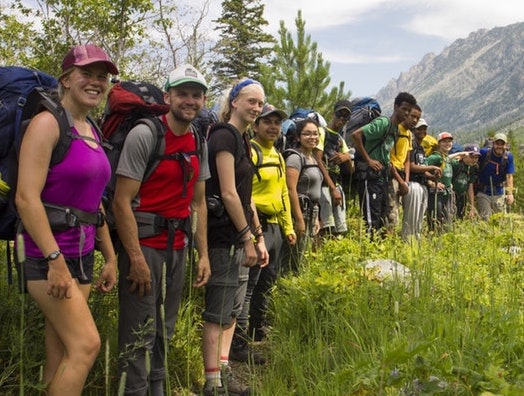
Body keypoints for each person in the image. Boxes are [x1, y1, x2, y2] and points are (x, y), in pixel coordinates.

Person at [16, 44, 118, 395]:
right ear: (66, 79)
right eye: (86, 74)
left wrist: (110, 255)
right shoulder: (47, 124)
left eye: (101, 76)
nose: (95, 82)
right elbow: (26, 198)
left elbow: (95, 204)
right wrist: (54, 260)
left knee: (60, 352)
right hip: (48, 256)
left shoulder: (91, 129)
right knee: (86, 346)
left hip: (82, 254)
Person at [113, 64, 211, 396]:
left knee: (164, 332)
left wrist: (203, 255)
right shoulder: (145, 134)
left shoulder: (198, 139)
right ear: (167, 96)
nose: (190, 100)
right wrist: (135, 258)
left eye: (196, 95)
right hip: (145, 248)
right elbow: (121, 201)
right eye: (182, 93)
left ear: (203, 100)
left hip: (178, 247)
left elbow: (198, 203)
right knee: (139, 334)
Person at [202, 78, 269, 396]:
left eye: (260, 103)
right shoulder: (224, 135)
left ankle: (224, 369)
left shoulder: (242, 140)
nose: (256, 107)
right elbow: (227, 192)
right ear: (234, 101)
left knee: (231, 309)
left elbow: (247, 196)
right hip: (222, 237)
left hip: (240, 236)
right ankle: (212, 381)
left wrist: (258, 237)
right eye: (251, 101)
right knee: (218, 311)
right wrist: (246, 237)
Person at [231, 104, 296, 362]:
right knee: (248, 286)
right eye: (267, 122)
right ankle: (240, 342)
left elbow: (282, 193)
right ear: (255, 126)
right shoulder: (252, 152)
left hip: (275, 228)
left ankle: (257, 332)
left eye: (277, 123)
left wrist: (288, 227)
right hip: (256, 227)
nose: (273, 127)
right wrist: (255, 233)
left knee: (267, 282)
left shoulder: (278, 155)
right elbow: (246, 194)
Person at [351, 92, 417, 236]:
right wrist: (369, 160)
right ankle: (368, 254)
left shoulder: (394, 129)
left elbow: (386, 157)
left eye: (409, 110)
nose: (406, 113)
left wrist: (400, 182)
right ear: (395, 107)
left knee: (381, 219)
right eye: (404, 108)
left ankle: (379, 253)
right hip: (369, 177)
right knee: (371, 220)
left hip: (381, 178)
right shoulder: (384, 123)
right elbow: (356, 135)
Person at [281, 119, 324, 274]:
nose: (312, 137)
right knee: (294, 256)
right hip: (300, 211)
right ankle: (286, 288)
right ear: (298, 137)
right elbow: (290, 189)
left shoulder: (312, 158)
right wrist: (299, 220)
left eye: (315, 134)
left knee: (302, 255)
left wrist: (317, 217)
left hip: (311, 211)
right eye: (307, 134)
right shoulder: (295, 158)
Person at [314, 100, 352, 237]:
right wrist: (332, 188)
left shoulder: (340, 139)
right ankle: (318, 257)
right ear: (333, 113)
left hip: (335, 185)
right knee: (323, 226)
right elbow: (318, 160)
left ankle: (333, 255)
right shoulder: (321, 132)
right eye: (339, 114)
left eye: (346, 116)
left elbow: (350, 169)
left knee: (338, 229)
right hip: (324, 186)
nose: (342, 118)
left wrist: (346, 157)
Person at [401, 118, 442, 241]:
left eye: (424, 129)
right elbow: (412, 166)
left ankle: (415, 240)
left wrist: (432, 176)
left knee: (419, 217)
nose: (423, 131)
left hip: (423, 185)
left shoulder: (421, 148)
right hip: (413, 185)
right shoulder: (411, 145)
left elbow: (422, 169)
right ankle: (407, 241)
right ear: (413, 130)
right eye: (420, 129)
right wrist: (432, 167)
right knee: (411, 216)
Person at [386, 104, 420, 234]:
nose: (415, 120)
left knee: (396, 210)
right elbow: (387, 158)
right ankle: (388, 245)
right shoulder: (394, 130)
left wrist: (405, 181)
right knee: (391, 212)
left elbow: (407, 159)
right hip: (391, 175)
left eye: (417, 118)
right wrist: (400, 181)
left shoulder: (409, 135)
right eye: (412, 116)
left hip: (400, 177)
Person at [476, 132, 515, 220]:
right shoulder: (484, 153)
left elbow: (509, 176)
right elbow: (473, 160)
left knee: (501, 220)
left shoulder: (508, 157)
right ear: (493, 144)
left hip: (499, 192)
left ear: (506, 145)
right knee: (486, 219)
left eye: (502, 144)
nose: (499, 146)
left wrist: (510, 193)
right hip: (483, 192)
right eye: (497, 144)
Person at [425, 132, 455, 233]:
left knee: (447, 223)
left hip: (446, 193)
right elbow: (422, 169)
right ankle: (433, 243)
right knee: (435, 221)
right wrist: (431, 183)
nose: (447, 144)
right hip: (436, 194)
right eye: (444, 142)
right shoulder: (435, 157)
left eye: (449, 141)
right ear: (439, 143)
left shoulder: (446, 157)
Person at [450, 145, 480, 219]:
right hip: (451, 196)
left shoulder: (472, 168)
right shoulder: (456, 164)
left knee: (460, 218)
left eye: (476, 157)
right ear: (465, 155)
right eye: (472, 157)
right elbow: (444, 160)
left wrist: (472, 207)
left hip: (462, 197)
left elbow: (470, 187)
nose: (474, 160)